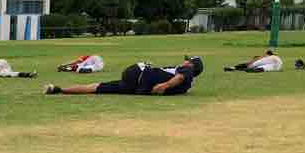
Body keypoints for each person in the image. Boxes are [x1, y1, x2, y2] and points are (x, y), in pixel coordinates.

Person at [47, 57, 203, 96]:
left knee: (97, 87)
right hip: (138, 84)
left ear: (191, 65)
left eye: (187, 60)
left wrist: (165, 85)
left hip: (137, 75)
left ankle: (59, 89)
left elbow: (180, 77)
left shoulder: (187, 72)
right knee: (97, 87)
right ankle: (60, 89)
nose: (184, 61)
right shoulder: (187, 86)